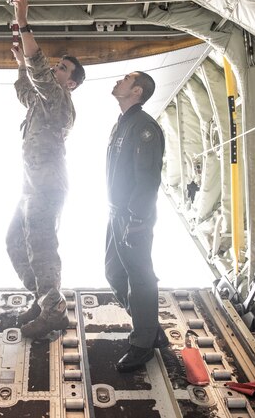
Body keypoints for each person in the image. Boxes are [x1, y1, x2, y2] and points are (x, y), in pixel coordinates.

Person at [5, 0, 86, 339]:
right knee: (14, 241)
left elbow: (39, 75)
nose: (56, 68)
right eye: (59, 65)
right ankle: (43, 300)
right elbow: (27, 91)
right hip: (32, 183)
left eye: (63, 69)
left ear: (70, 84)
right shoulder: (41, 101)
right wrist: (21, 64)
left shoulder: (60, 100)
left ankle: (54, 309)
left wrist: (24, 23)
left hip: (47, 183)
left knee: (40, 241)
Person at [105, 71, 167, 372]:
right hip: (116, 213)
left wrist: (138, 219)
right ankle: (149, 325)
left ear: (137, 91)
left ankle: (143, 345)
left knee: (140, 278)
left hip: (133, 216)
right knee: (113, 272)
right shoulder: (123, 124)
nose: (119, 81)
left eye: (126, 79)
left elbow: (147, 179)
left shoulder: (144, 128)